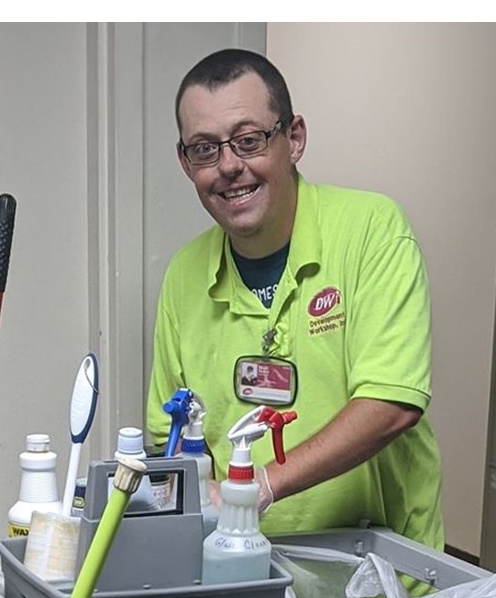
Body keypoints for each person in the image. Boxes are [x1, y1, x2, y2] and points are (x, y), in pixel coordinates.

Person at [146, 47, 444, 557]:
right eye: (204, 149)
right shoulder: (184, 275)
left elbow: (391, 404)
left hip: (388, 583)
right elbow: (167, 440)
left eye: (249, 140)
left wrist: (258, 486)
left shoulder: (372, 231)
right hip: (246, 576)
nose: (229, 167)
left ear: (294, 138)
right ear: (185, 162)